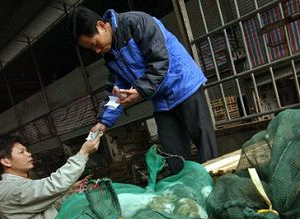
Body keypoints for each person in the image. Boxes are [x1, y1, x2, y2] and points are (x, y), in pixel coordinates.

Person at [68, 6, 218, 173]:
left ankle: (215, 185)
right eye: (91, 49)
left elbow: (160, 62)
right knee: (174, 155)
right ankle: (188, 192)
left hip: (184, 87)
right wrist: (102, 122)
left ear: (102, 26)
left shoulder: (137, 22)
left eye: (94, 44)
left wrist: (139, 91)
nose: (96, 51)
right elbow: (115, 89)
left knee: (205, 145)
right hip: (161, 100)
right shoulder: (110, 53)